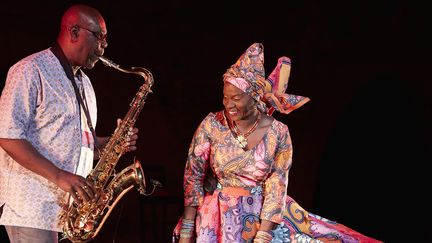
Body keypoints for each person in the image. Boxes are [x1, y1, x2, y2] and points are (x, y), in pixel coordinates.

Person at [172, 43, 382, 243]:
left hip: (261, 219)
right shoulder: (212, 124)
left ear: (254, 96)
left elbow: (276, 184)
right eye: (225, 97)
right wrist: (188, 229)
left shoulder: (278, 133)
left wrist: (263, 236)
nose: (228, 105)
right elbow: (194, 175)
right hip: (216, 218)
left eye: (236, 98)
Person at [0, 4, 139, 243]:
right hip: (32, 210)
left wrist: (110, 146)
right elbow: (7, 136)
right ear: (74, 32)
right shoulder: (30, 70)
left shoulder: (85, 84)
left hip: (70, 214)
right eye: (99, 36)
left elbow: (79, 144)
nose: (104, 45)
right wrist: (59, 175)